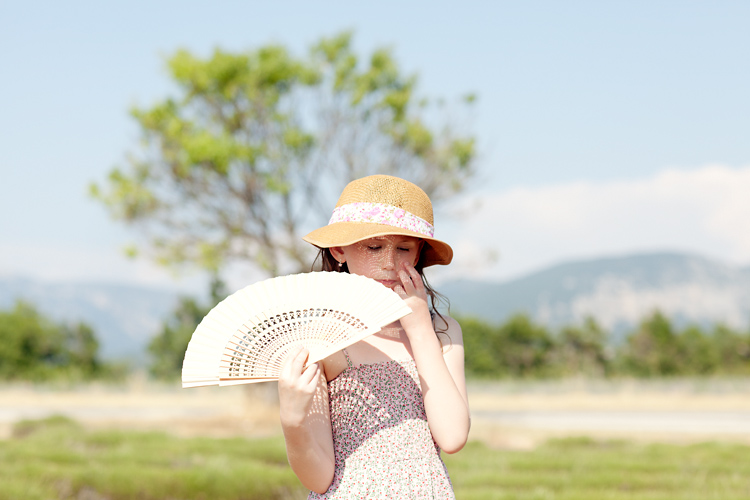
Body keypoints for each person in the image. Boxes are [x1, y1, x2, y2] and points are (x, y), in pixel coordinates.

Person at [278, 174, 470, 499]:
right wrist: (292, 418)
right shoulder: (323, 340)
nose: (389, 263)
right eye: (374, 246)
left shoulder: (442, 331)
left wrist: (420, 326)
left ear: (420, 251)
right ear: (339, 249)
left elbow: (452, 437)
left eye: (404, 248)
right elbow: (319, 477)